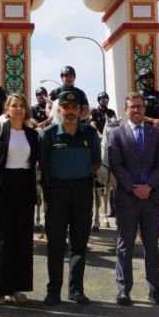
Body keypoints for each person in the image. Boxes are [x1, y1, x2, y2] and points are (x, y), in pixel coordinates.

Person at [107, 93, 159, 306]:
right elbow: (116, 165)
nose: (137, 110)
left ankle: (155, 289)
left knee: (152, 246)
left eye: (140, 106)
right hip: (127, 197)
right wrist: (134, 188)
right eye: (133, 107)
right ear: (126, 110)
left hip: (151, 198)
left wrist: (150, 186)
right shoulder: (116, 134)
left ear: (145, 109)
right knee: (125, 245)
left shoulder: (156, 134)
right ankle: (124, 290)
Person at [39, 89, 101, 305]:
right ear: (59, 110)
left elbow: (96, 162)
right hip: (57, 193)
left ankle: (76, 290)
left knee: (79, 243)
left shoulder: (90, 134)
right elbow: (44, 164)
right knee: (55, 243)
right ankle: (53, 290)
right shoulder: (49, 135)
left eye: (74, 108)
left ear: (80, 111)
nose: (70, 111)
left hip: (83, 192)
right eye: (66, 108)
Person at [0, 93, 40, 305]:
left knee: (22, 239)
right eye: (13, 105)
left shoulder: (32, 135)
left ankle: (16, 288)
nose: (18, 109)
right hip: (2, 188)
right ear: (7, 109)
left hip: (24, 187)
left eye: (21, 106)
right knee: (1, 239)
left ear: (26, 110)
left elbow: (36, 162)